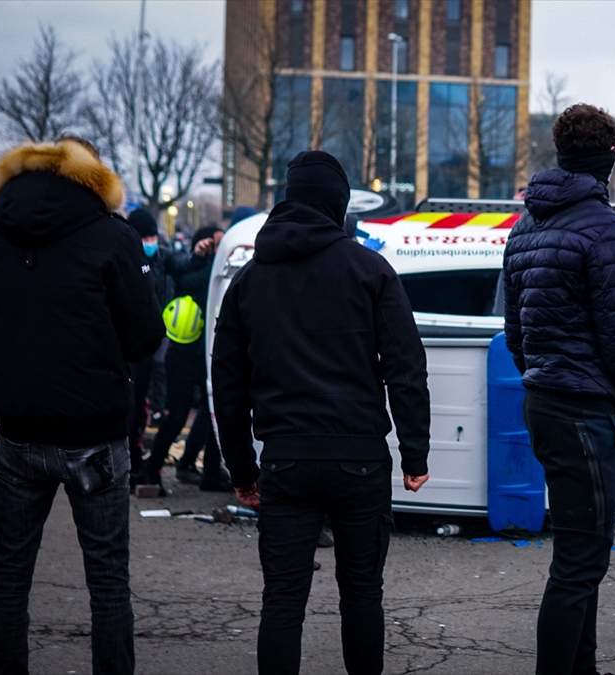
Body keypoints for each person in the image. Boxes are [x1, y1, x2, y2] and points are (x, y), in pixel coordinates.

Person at [213, 150, 430, 675]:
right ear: (339, 205)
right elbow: (406, 366)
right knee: (361, 595)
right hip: (359, 459)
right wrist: (415, 453)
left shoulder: (248, 281)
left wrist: (241, 470)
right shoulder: (371, 270)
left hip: (285, 461)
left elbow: (228, 386)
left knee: (282, 600)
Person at [0, 136, 164, 674]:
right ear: (93, 177)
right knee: (106, 579)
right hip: (94, 433)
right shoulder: (111, 237)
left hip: (17, 432)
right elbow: (145, 337)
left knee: (10, 573)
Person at [503, 103, 615, 675]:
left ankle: (584, 668)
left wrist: (545, 373)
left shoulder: (524, 228)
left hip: (543, 401)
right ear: (610, 157)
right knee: (580, 560)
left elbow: (514, 334)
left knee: (582, 550)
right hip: (583, 413)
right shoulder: (607, 231)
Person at [140, 225, 230, 493]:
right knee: (177, 415)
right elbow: (184, 271)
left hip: (209, 352)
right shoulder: (189, 267)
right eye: (214, 245)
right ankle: (152, 470)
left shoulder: (211, 270)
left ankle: (211, 473)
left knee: (216, 415)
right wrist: (203, 257)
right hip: (185, 356)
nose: (218, 250)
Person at [125, 208, 173, 489]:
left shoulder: (162, 259)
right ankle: (131, 462)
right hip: (134, 349)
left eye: (154, 235)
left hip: (154, 346)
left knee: (141, 405)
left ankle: (136, 459)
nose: (151, 241)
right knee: (131, 407)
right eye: (146, 236)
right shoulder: (126, 261)